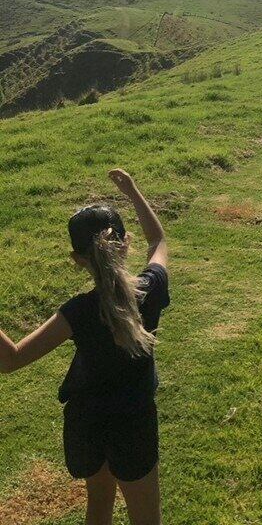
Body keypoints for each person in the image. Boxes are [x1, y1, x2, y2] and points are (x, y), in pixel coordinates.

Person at [0, 169, 169, 525]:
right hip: (133, 423)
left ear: (77, 260)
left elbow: (10, 359)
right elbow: (158, 242)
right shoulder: (149, 291)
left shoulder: (76, 312)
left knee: (99, 507)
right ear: (126, 243)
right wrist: (133, 191)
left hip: (86, 422)